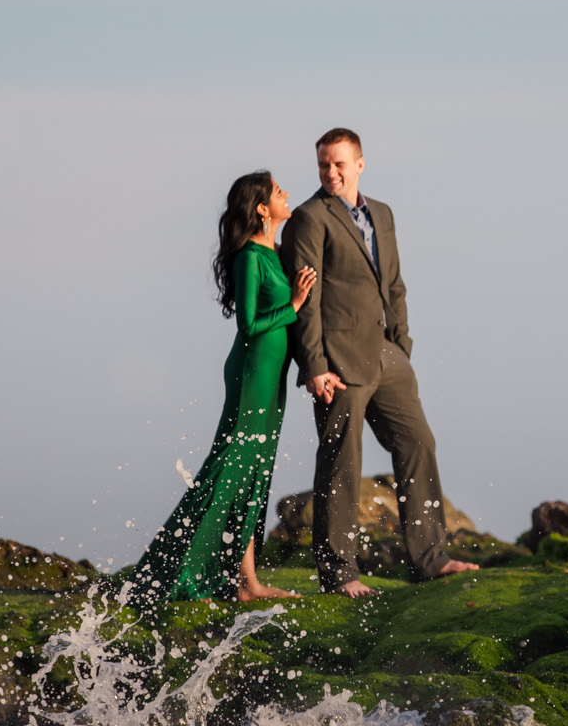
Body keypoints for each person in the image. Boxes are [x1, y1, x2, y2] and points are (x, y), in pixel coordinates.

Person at [282, 128, 478, 596]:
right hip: (337, 364)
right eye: (323, 165)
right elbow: (306, 300)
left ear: (360, 164)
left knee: (418, 443)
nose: (330, 172)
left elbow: (394, 285)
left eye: (339, 164)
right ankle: (339, 574)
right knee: (340, 464)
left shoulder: (383, 214)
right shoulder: (310, 218)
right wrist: (314, 365)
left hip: (387, 357)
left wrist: (401, 348)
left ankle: (431, 558)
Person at [134, 171, 317, 603]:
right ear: (260, 208)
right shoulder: (249, 257)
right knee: (231, 469)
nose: (286, 193)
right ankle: (182, 566)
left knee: (255, 472)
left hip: (272, 375)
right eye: (277, 191)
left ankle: (247, 582)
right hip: (252, 372)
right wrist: (293, 304)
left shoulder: (274, 250)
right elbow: (250, 326)